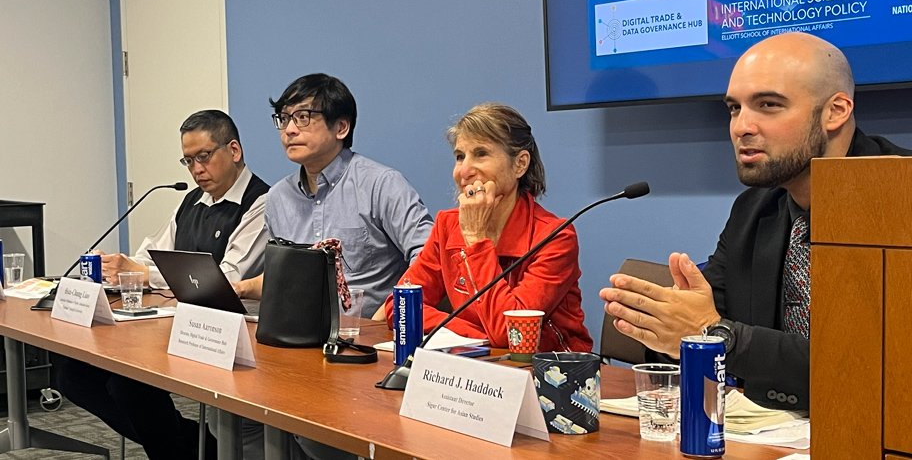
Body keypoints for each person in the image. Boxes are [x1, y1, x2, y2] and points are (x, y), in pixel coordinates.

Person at [599, 32, 912, 411]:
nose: (741, 127)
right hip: (776, 431)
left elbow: (876, 364)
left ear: (835, 111)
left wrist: (715, 334)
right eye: (734, 109)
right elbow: (707, 319)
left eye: (768, 105)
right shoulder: (753, 210)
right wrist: (669, 327)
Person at [235, 73, 432, 460]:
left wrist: (388, 310)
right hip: (298, 348)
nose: (289, 129)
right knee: (234, 415)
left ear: (341, 127)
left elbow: (428, 254)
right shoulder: (278, 198)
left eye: (303, 117)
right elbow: (286, 278)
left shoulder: (382, 184)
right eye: (283, 119)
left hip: (362, 352)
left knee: (312, 431)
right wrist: (238, 288)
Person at [56, 110, 269, 460]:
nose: (196, 169)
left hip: (229, 335)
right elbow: (151, 255)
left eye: (204, 156)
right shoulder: (191, 202)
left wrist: (144, 273)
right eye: (188, 161)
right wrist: (123, 267)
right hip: (175, 324)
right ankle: (194, 445)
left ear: (233, 150)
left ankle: (184, 449)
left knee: (128, 385)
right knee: (73, 375)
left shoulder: (261, 203)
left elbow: (226, 279)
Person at [379, 103, 592, 352]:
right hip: (476, 361)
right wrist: (475, 335)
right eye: (460, 157)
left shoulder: (556, 237)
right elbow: (399, 307)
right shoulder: (448, 224)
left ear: (520, 164)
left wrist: (476, 239)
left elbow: (511, 334)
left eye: (481, 154)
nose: (464, 171)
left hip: (548, 368)